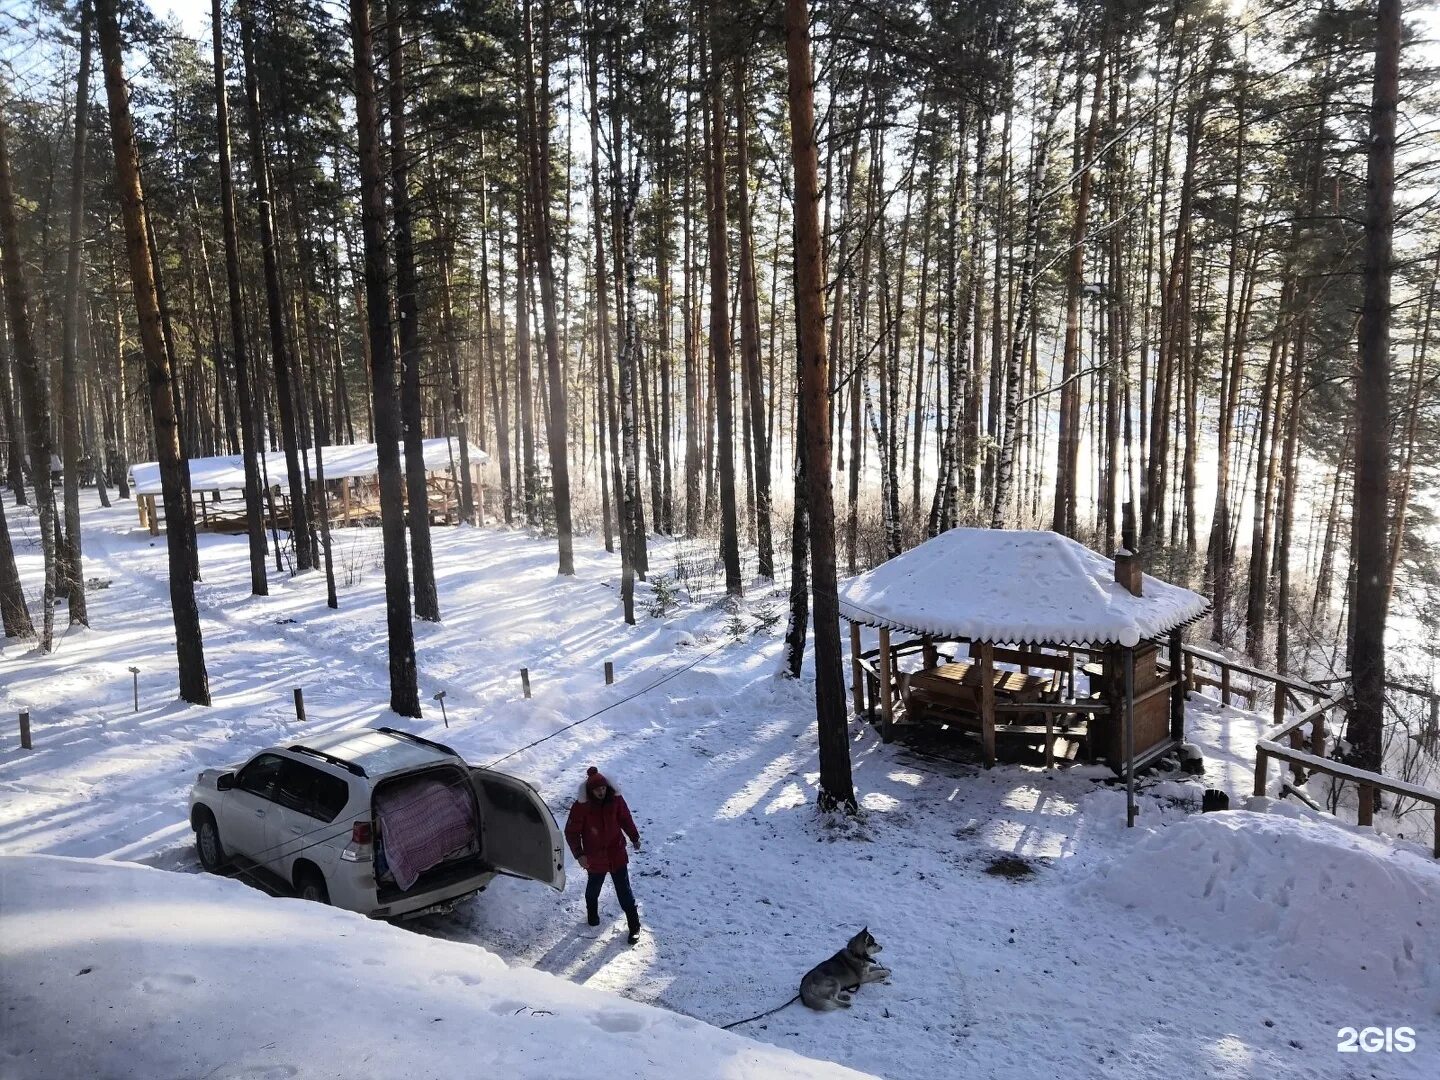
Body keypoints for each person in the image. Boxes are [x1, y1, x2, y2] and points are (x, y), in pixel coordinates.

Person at [563, 766, 643, 944]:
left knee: (625, 893)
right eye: (597, 789)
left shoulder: (615, 800)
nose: (601, 791)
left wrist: (634, 836)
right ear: (591, 790)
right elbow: (572, 832)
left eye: (603, 788)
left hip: (617, 854)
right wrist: (579, 854)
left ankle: (634, 926)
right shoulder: (581, 807)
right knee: (592, 891)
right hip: (595, 857)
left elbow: (625, 818)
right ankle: (592, 916)